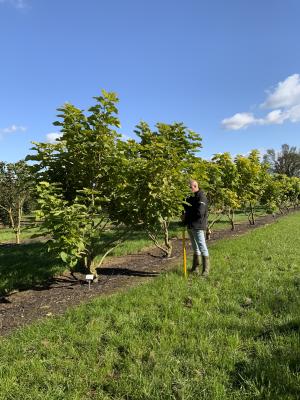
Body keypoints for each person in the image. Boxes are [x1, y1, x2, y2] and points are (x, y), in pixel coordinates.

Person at [182, 179, 210, 276]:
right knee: (195, 248)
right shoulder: (190, 197)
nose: (188, 190)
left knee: (202, 247)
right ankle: (195, 268)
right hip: (190, 225)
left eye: (189, 188)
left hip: (198, 226)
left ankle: (206, 271)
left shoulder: (201, 197)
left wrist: (187, 215)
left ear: (194, 186)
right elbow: (184, 207)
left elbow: (200, 212)